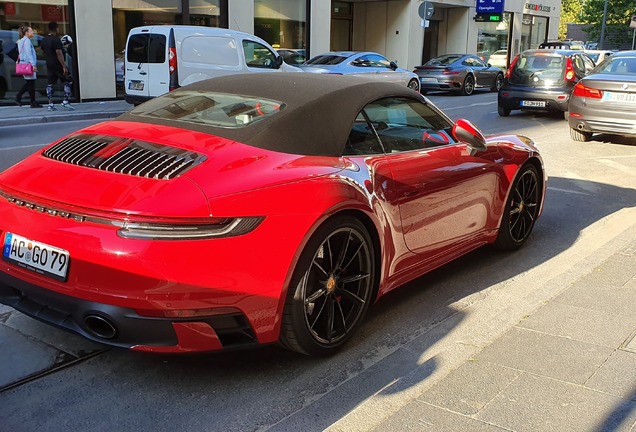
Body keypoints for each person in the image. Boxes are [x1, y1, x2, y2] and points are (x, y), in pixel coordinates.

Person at [40, 21, 73, 111]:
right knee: (68, 80)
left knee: (50, 83)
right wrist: (63, 66)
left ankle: (50, 104)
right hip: (57, 64)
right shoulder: (56, 39)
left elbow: (43, 51)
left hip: (49, 64)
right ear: (56, 28)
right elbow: (58, 52)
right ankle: (65, 101)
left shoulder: (44, 39)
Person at [15, 26, 42, 108]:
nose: (33, 32)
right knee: (30, 83)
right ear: (26, 33)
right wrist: (33, 65)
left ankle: (30, 101)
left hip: (24, 63)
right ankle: (29, 101)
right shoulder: (26, 41)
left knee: (29, 83)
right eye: (31, 31)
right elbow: (28, 53)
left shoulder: (21, 41)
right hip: (28, 64)